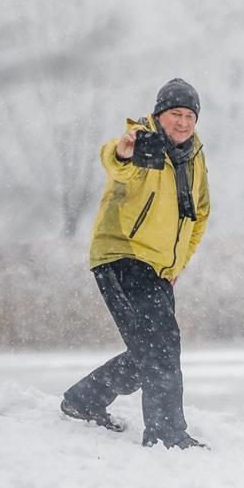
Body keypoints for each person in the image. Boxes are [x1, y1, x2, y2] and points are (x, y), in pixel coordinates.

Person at [61, 78, 211, 450]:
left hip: (158, 267)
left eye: (190, 115)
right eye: (175, 114)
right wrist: (123, 150)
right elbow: (116, 161)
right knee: (161, 347)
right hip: (122, 256)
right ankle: (165, 433)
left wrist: (178, 265)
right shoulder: (142, 140)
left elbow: (201, 213)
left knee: (152, 350)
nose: (183, 122)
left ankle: (85, 399)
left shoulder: (194, 155)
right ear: (160, 115)